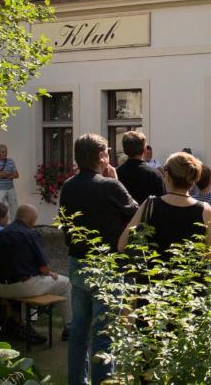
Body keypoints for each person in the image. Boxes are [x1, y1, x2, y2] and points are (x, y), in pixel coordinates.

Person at [60, 133, 138, 385]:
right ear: (102, 156)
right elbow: (137, 214)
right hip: (106, 266)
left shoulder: (68, 186)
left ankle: (77, 381)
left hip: (77, 262)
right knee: (104, 332)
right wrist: (116, 180)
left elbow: (65, 223)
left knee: (79, 331)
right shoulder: (110, 185)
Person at [118, 152, 211, 258]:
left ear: (167, 176)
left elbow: (122, 245)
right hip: (192, 273)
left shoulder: (150, 204)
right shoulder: (204, 209)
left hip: (156, 273)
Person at [0, 204, 72, 336]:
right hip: (23, 286)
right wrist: (49, 273)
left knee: (34, 281)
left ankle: (26, 323)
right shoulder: (30, 234)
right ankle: (70, 326)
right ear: (31, 220)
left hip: (1, 287)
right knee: (66, 283)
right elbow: (43, 268)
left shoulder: (0, 234)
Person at [116, 130, 164, 205]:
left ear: (124, 150)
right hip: (148, 216)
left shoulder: (116, 174)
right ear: (145, 150)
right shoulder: (155, 175)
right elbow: (162, 203)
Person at [0, 144, 19, 223]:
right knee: (0, 208)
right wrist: (10, 174)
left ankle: (14, 223)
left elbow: (17, 175)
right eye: (3, 152)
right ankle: (0, 224)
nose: (5, 154)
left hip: (10, 187)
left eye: (6, 152)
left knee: (14, 207)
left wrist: (2, 174)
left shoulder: (10, 161)